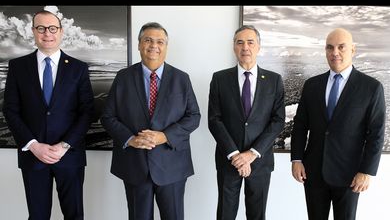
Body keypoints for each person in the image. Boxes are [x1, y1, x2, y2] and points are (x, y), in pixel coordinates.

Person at [101, 22, 201, 220]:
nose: (154, 45)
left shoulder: (181, 78)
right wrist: (130, 139)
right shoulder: (123, 77)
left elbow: (194, 116)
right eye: (148, 40)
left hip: (172, 166)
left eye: (160, 41)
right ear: (139, 44)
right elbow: (107, 117)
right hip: (134, 166)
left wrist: (165, 136)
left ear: (166, 46)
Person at [2, 10, 94, 220]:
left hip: (69, 156)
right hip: (33, 157)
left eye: (52, 28)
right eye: (41, 28)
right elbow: (10, 110)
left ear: (61, 32)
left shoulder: (79, 68)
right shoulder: (17, 67)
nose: (47, 33)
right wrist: (33, 145)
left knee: (74, 215)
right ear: (33, 32)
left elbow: (87, 111)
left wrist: (64, 146)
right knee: (37, 216)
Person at [291, 28, 386, 220]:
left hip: (350, 175)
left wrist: (366, 171)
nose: (335, 52)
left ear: (353, 50)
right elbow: (300, 125)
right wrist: (297, 159)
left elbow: (376, 133)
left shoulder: (371, 87)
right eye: (330, 47)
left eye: (341, 47)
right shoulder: (312, 85)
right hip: (313, 172)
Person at [208, 25, 286, 220]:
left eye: (250, 42)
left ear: (258, 47)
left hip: (260, 161)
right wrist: (235, 155)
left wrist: (252, 153)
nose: (245, 47)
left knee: (257, 215)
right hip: (229, 161)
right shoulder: (219, 79)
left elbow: (278, 121)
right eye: (240, 42)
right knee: (225, 214)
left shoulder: (274, 80)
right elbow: (214, 119)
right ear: (234, 47)